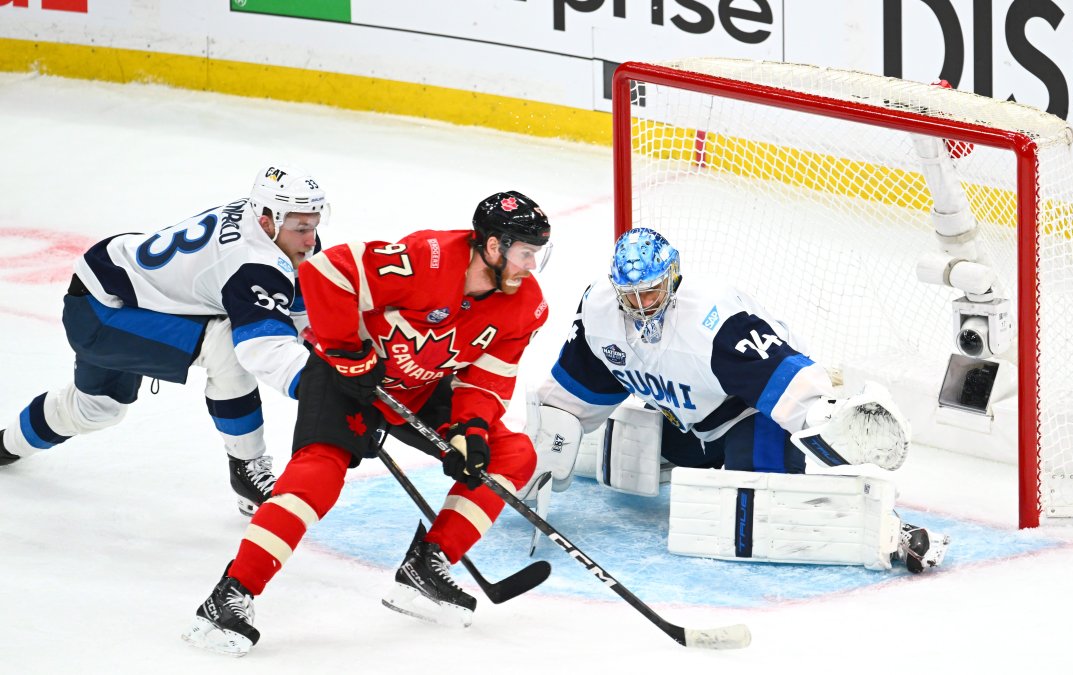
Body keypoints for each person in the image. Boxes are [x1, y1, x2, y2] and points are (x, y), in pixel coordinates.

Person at [183, 190, 552, 657]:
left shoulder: (525, 306)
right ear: (494, 247)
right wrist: (346, 352)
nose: (531, 266)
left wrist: (471, 430)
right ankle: (232, 594)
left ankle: (428, 565)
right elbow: (325, 272)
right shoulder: (428, 259)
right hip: (346, 376)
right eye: (524, 253)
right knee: (319, 474)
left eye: (537, 254)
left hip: (420, 388)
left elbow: (485, 379)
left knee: (512, 453)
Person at [524, 227, 949, 573]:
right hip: (687, 421)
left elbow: (791, 389)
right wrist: (534, 453)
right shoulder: (599, 309)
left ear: (672, 276)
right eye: (630, 296)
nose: (639, 307)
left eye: (650, 293)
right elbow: (578, 390)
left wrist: (826, 418)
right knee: (629, 447)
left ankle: (889, 531)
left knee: (760, 504)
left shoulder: (717, 322)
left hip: (753, 412)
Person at [0, 164, 326, 516]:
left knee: (95, 409)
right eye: (301, 228)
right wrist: (324, 384)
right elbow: (264, 349)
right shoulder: (253, 263)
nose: (311, 238)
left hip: (125, 291)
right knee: (226, 346)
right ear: (266, 220)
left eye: (313, 225)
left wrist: (333, 356)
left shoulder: (274, 232)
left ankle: (3, 445)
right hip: (101, 314)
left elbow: (295, 312)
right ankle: (247, 471)